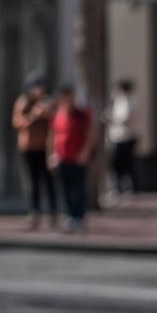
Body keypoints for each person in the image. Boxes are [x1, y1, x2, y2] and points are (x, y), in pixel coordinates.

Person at [48, 85, 95, 234]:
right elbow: (52, 136)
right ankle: (69, 216)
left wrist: (85, 153)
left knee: (78, 188)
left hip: (77, 158)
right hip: (62, 157)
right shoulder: (57, 114)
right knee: (65, 189)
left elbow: (90, 135)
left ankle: (79, 217)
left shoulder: (81, 115)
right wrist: (52, 155)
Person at [11, 75, 56, 229]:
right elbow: (17, 122)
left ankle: (52, 213)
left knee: (49, 181)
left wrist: (46, 112)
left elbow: (55, 121)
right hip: (28, 147)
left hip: (45, 147)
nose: (38, 91)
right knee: (33, 182)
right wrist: (33, 115)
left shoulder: (48, 103)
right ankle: (34, 213)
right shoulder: (24, 102)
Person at [104, 79, 139, 202]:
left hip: (126, 137)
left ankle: (126, 188)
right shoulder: (118, 102)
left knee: (124, 164)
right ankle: (118, 188)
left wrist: (111, 118)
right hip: (116, 137)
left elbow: (126, 118)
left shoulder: (130, 101)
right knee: (115, 164)